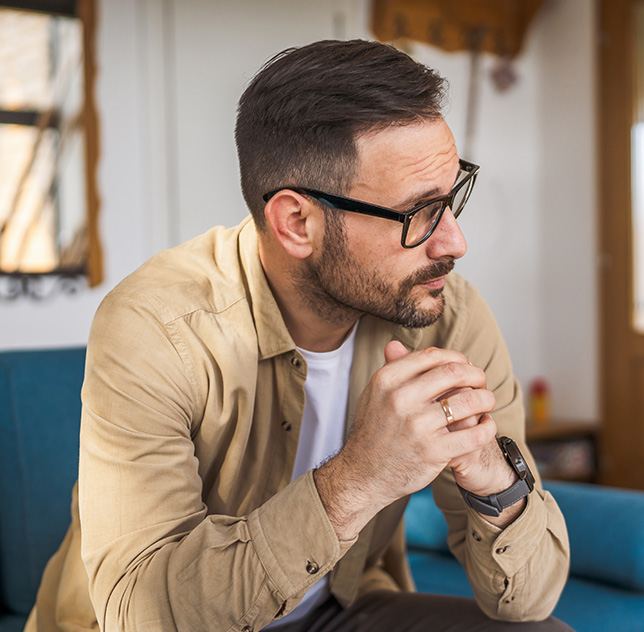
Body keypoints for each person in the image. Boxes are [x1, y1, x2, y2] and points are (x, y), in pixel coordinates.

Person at [25, 39, 571, 632]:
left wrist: (491, 475)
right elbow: (141, 614)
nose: (454, 242)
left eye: (452, 196)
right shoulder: (155, 326)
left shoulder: (447, 315)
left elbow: (530, 600)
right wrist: (360, 479)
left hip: (340, 609)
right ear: (296, 222)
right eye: (418, 212)